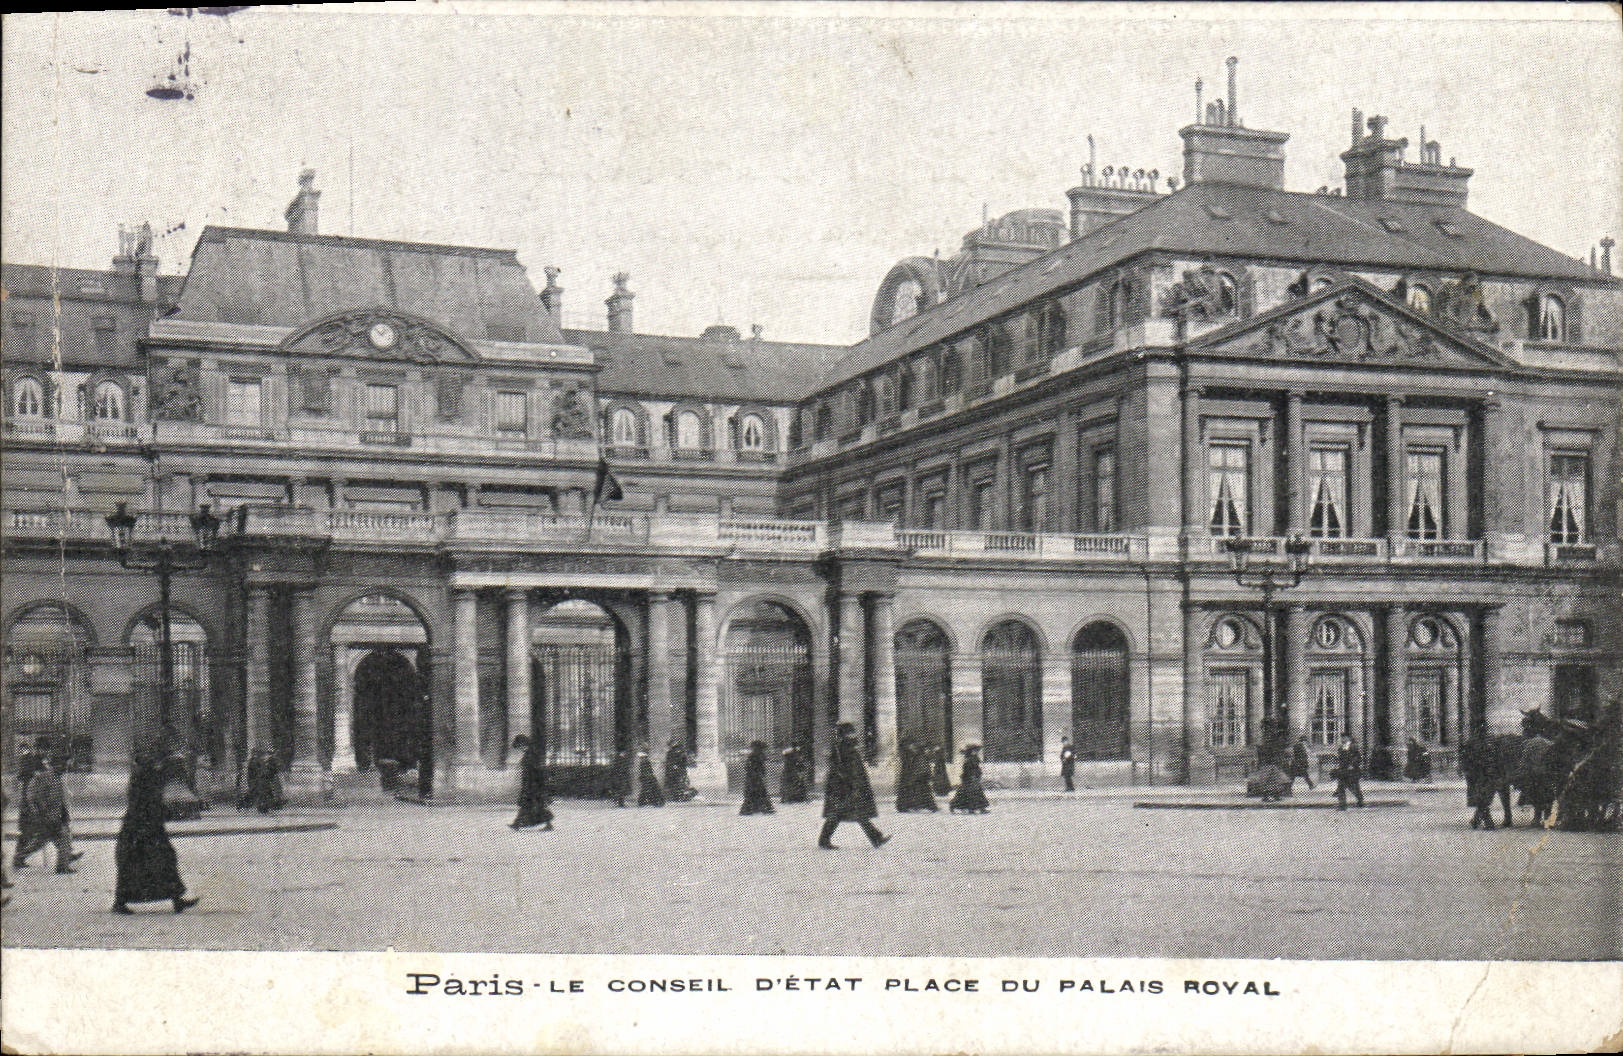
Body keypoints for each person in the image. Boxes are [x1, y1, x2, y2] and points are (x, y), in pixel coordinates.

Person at [113, 756, 198, 914]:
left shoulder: (146, 775)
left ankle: (176, 899)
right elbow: (145, 802)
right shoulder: (146, 777)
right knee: (138, 865)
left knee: (164, 861)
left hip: (147, 827)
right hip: (141, 829)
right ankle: (120, 901)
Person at [817, 722, 888, 849]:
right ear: (845, 735)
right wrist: (850, 784)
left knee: (850, 813)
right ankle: (875, 838)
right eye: (850, 733)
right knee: (841, 814)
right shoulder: (843, 750)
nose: (853, 735)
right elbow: (840, 769)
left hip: (850, 786)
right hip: (845, 787)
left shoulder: (846, 748)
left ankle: (875, 837)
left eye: (852, 732)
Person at [20, 753, 80, 874]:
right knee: (61, 838)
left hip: (55, 815)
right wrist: (42, 812)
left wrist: (64, 813)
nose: (66, 769)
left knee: (40, 841)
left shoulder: (57, 777)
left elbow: (60, 798)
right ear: (57, 765)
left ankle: (19, 857)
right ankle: (62, 866)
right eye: (64, 765)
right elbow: (36, 796)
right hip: (48, 816)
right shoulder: (46, 777)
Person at [11, 738, 46, 869]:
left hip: (30, 801)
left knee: (29, 831)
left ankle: (19, 857)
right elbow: (25, 778)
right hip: (29, 802)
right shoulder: (31, 761)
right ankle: (18, 858)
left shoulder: (34, 761)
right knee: (28, 831)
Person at [509, 735, 553, 831]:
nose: (520, 749)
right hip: (531, 784)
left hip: (533, 784)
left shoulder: (532, 754)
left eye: (520, 746)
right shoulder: (530, 753)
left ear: (523, 744)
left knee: (531, 804)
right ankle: (517, 823)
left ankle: (517, 824)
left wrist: (536, 784)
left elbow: (538, 770)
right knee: (533, 805)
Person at [949, 744, 991, 814]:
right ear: (971, 751)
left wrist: (977, 774)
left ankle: (981, 808)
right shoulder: (968, 759)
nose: (976, 752)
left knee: (977, 793)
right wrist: (972, 776)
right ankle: (957, 806)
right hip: (969, 778)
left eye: (977, 750)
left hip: (974, 778)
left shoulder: (973, 757)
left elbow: (976, 768)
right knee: (967, 794)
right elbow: (968, 769)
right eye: (975, 750)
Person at [739, 740, 775, 815]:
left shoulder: (752, 755)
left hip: (751, 777)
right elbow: (762, 767)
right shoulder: (760, 755)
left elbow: (747, 767)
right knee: (761, 792)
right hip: (757, 777)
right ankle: (765, 808)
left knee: (751, 793)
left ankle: (750, 809)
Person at [1333, 736, 1365, 810]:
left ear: (1347, 739)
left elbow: (1358, 758)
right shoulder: (1341, 748)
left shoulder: (1354, 747)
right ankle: (1342, 805)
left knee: (1354, 788)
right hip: (1343, 771)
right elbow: (1340, 759)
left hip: (1352, 771)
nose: (1341, 740)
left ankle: (1360, 801)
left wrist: (1352, 765)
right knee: (1341, 788)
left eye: (1343, 738)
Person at [663, 737, 697, 802]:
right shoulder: (672, 752)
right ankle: (679, 796)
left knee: (679, 784)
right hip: (674, 772)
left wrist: (676, 766)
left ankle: (681, 796)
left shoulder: (679, 752)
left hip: (678, 771)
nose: (671, 745)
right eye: (671, 744)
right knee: (676, 784)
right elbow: (669, 762)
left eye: (673, 743)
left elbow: (683, 761)